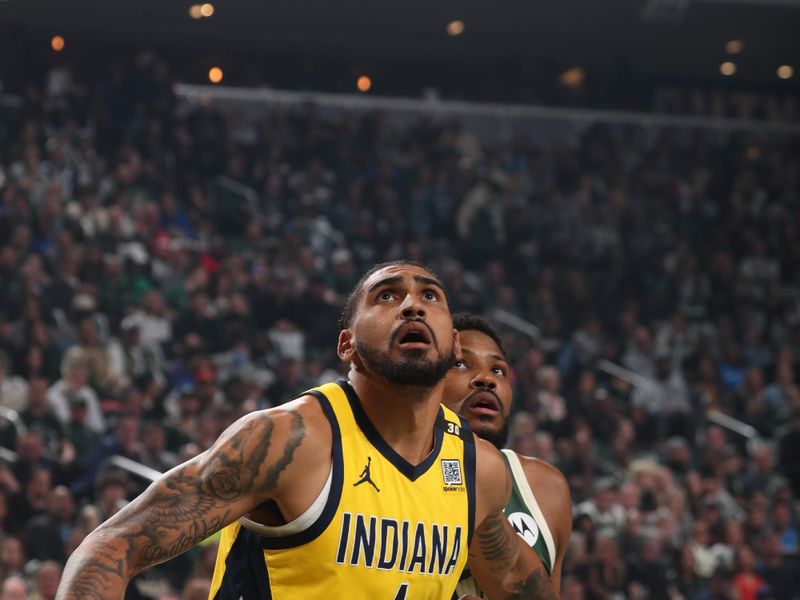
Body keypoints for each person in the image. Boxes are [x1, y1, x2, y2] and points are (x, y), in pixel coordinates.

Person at [57, 261, 556, 599]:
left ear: (451, 348)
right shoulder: (289, 441)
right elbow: (112, 545)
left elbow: (517, 581)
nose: (412, 305)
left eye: (430, 295)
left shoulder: (478, 470)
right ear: (347, 346)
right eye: (387, 295)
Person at [442, 313, 572, 596]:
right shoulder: (385, 468)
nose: (486, 379)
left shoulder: (547, 486)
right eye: (461, 363)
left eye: (498, 370)